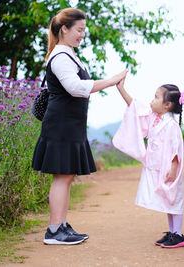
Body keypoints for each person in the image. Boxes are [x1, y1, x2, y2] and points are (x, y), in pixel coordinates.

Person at [32, 8, 127, 245]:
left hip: (70, 125)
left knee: (67, 174)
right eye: (79, 30)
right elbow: (76, 87)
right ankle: (54, 230)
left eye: (84, 30)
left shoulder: (70, 54)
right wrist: (112, 80)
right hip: (61, 125)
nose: (82, 35)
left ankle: (61, 225)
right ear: (64, 29)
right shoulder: (61, 57)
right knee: (62, 176)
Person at [112, 78, 184, 248]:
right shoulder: (155, 118)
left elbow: (176, 150)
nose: (151, 101)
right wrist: (121, 89)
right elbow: (135, 107)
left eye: (156, 97)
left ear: (167, 105)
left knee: (174, 200)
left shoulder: (171, 125)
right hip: (157, 167)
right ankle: (172, 232)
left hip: (169, 169)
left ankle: (179, 234)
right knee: (167, 200)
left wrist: (173, 168)